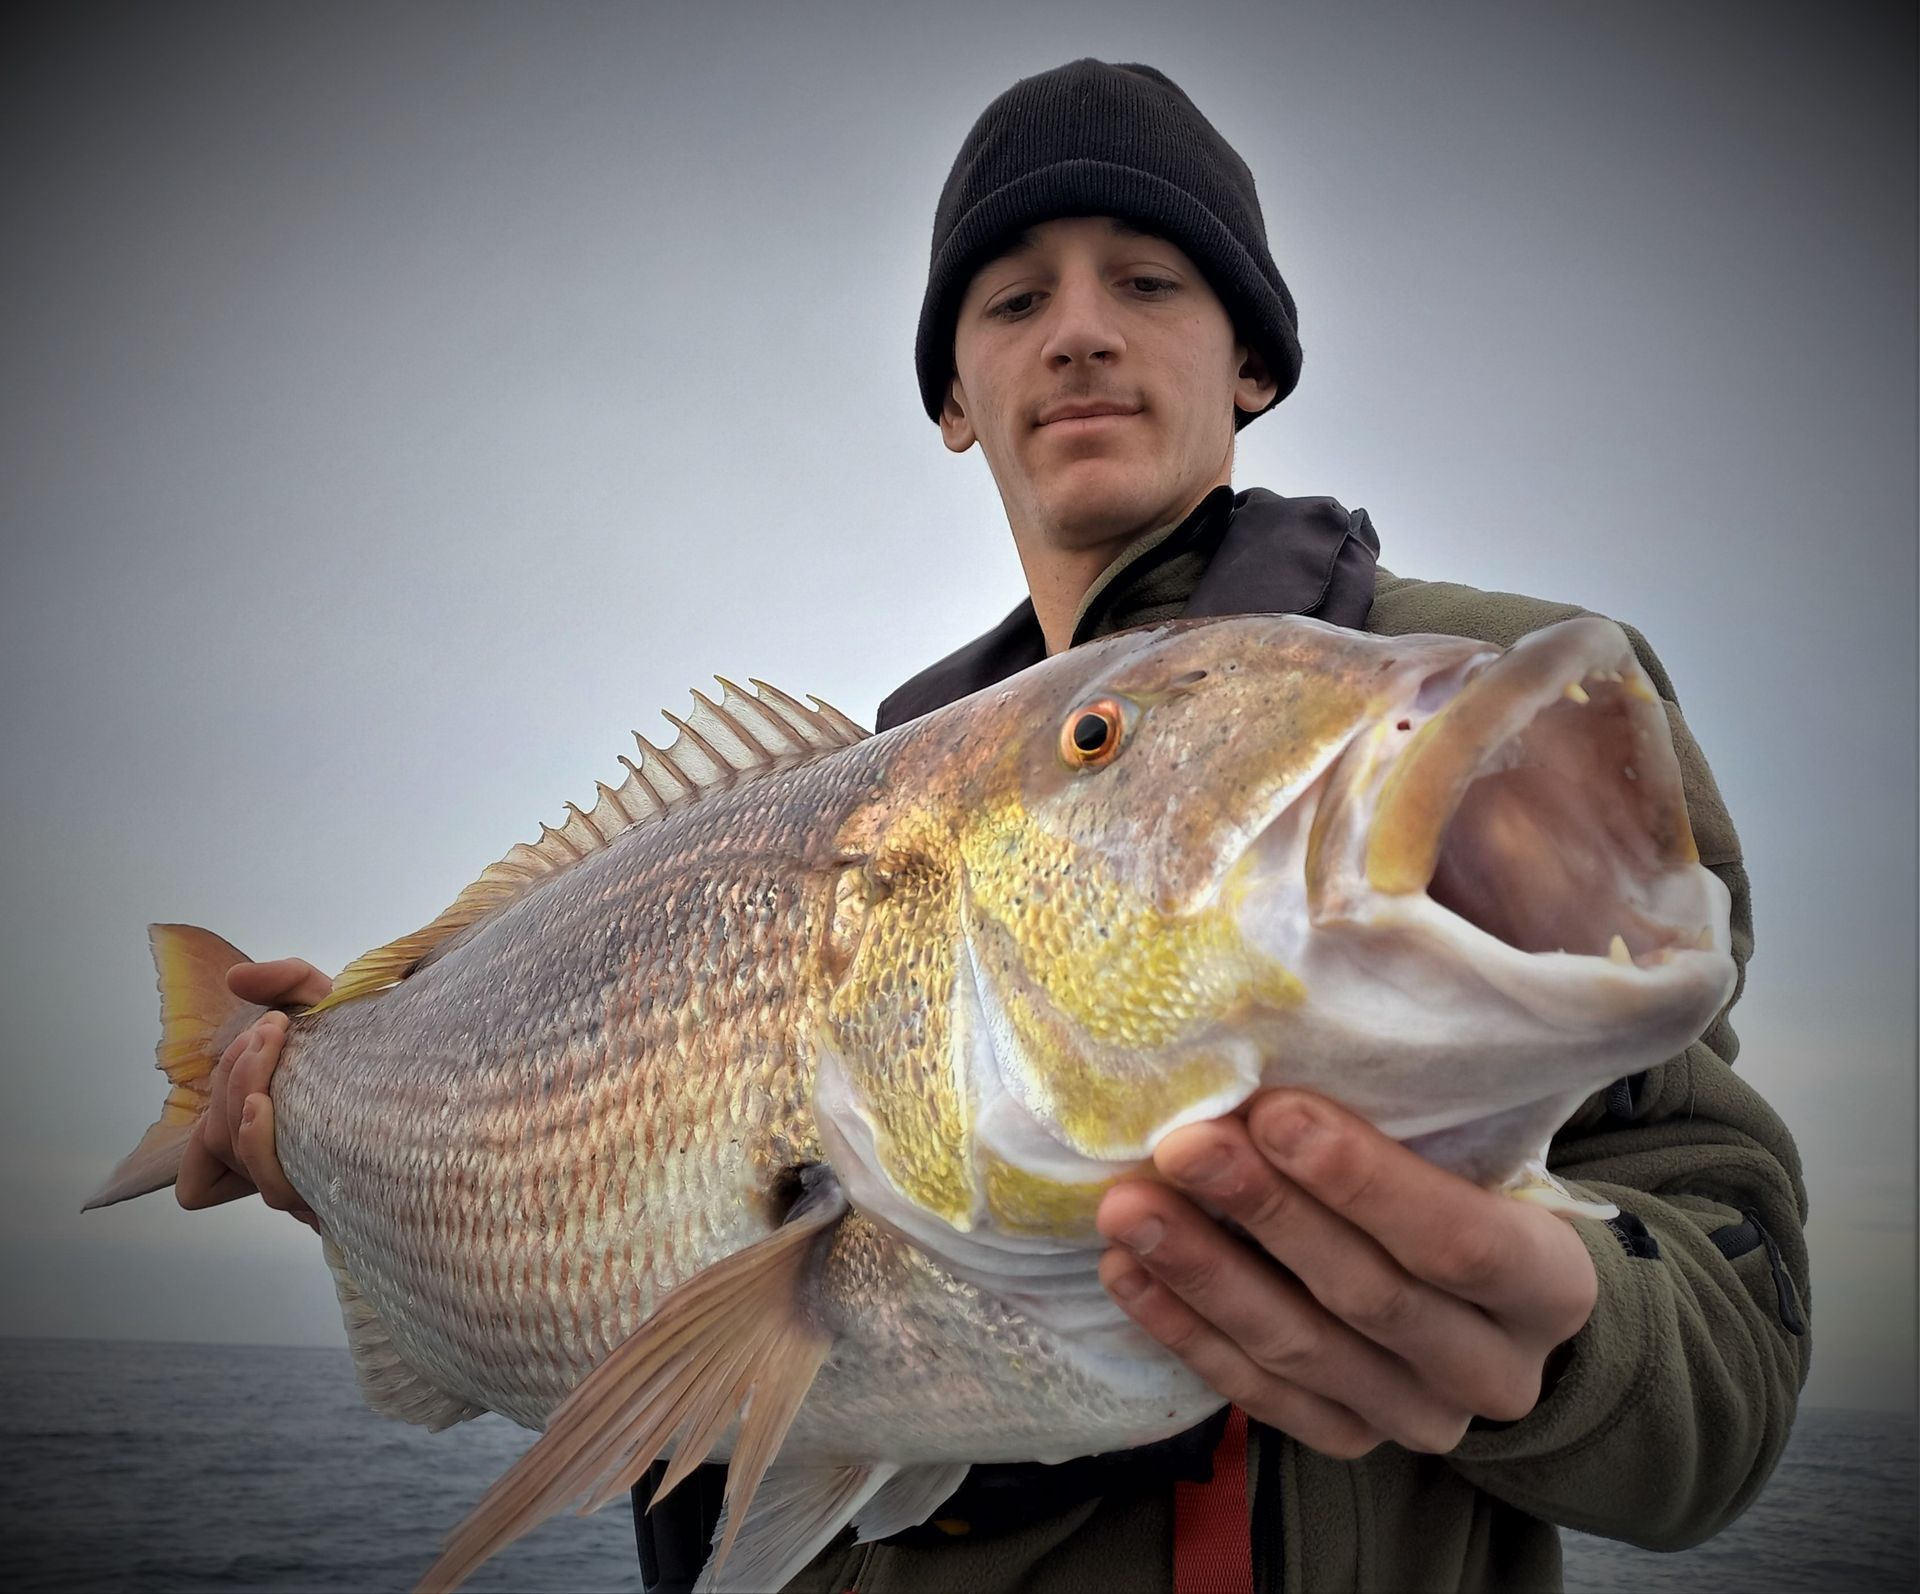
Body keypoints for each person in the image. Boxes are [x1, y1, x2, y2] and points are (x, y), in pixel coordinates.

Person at [179, 59, 1811, 1594]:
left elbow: (1727, 1347)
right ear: (954, 398)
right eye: (1015, 299)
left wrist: (1577, 1351)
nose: (1081, 333)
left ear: (1252, 357)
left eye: (1150, 281)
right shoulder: (881, 787)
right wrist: (316, 1127)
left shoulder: (1485, 708)